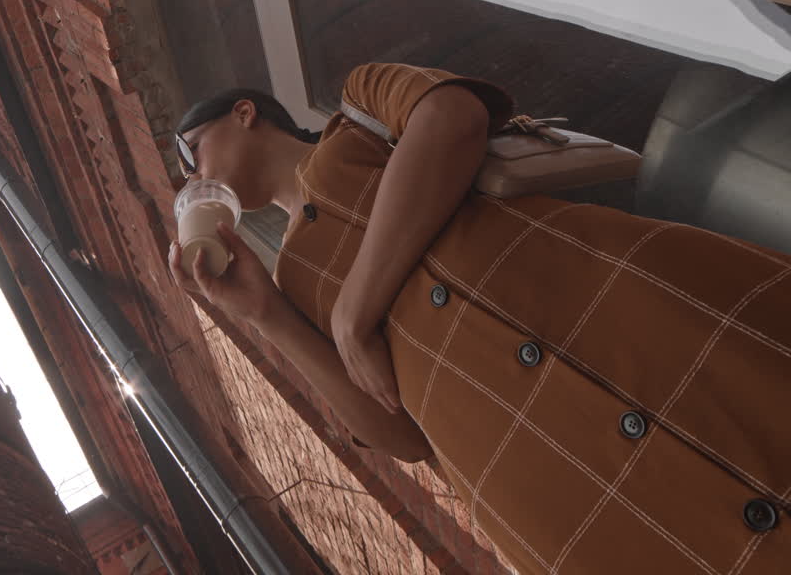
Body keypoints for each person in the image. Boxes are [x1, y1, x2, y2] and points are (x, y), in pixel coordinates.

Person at [166, 62, 789, 575]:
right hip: (548, 483)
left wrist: (356, 313)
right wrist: (266, 315)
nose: (192, 178)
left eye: (191, 154)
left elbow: (451, 117)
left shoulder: (356, 114)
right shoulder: (289, 285)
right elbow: (401, 438)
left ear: (244, 112)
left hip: (626, 319)